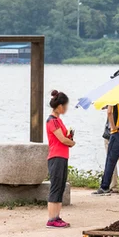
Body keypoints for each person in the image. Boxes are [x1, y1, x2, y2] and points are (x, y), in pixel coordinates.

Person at [46, 90, 75, 228]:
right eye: (65, 106)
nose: (66, 108)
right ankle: (51, 219)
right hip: (56, 156)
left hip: (63, 156)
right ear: (59, 106)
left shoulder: (58, 120)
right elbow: (61, 139)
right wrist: (71, 142)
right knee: (56, 186)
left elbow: (64, 137)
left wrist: (69, 137)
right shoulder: (52, 121)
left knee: (61, 187)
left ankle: (56, 216)